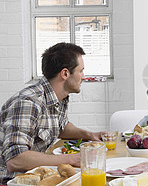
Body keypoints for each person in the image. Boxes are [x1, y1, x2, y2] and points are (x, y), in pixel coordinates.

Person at [0, 42, 102, 183]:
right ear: (65, 73)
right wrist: (72, 159)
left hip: (38, 176)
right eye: (81, 71)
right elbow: (15, 160)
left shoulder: (59, 96)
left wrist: (89, 135)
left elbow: (61, 126)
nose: (83, 77)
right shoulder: (29, 102)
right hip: (13, 181)